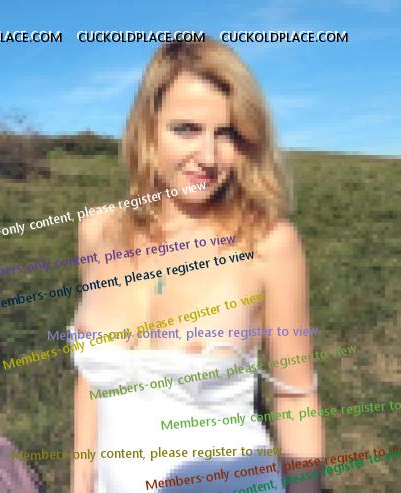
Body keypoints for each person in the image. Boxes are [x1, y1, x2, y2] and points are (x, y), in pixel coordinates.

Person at [70, 40, 324, 493]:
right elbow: (92, 382)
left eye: (227, 134)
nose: (208, 157)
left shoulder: (268, 242)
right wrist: (80, 484)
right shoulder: (97, 230)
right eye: (186, 129)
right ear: (147, 128)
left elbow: (295, 397)